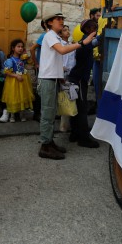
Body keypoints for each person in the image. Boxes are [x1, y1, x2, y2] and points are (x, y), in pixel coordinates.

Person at [37, 11, 96, 160]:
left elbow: (55, 59)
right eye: (58, 19)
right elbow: (62, 51)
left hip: (54, 78)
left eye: (62, 19)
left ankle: (49, 142)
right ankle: (45, 146)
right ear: (50, 22)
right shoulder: (50, 35)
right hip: (48, 79)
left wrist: (60, 78)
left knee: (51, 113)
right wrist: (83, 42)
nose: (61, 21)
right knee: (47, 114)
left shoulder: (54, 36)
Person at [67, 19, 101, 148]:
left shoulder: (84, 39)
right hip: (79, 80)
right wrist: (105, 30)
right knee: (81, 108)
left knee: (77, 107)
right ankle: (83, 138)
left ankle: (74, 133)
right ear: (87, 29)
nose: (95, 27)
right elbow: (96, 41)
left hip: (76, 78)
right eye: (93, 26)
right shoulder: (86, 41)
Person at [1, 38, 35, 123]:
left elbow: (31, 63)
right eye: (18, 46)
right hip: (13, 82)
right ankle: (12, 115)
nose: (20, 48)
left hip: (23, 81)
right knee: (14, 97)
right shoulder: (10, 60)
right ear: (13, 48)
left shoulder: (23, 59)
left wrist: (27, 56)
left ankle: (22, 114)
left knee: (22, 97)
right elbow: (6, 71)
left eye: (22, 47)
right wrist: (16, 75)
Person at [59, 25, 75, 132]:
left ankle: (68, 124)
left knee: (69, 98)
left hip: (70, 74)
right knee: (63, 98)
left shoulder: (71, 45)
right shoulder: (59, 45)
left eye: (68, 29)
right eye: (64, 30)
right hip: (62, 74)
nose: (67, 31)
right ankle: (63, 125)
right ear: (60, 34)